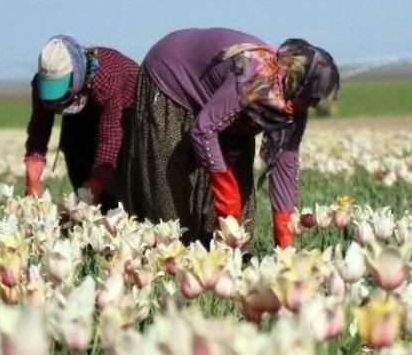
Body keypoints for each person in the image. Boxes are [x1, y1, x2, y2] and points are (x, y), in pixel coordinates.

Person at [123, 28, 339, 247]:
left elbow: (286, 162)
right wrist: (226, 193)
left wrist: (285, 239)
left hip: (226, 104)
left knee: (238, 197)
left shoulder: (294, 105)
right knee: (175, 194)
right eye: (312, 97)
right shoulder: (254, 76)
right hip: (170, 76)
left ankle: (227, 258)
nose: (314, 105)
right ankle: (176, 255)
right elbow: (203, 130)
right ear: (296, 84)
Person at [23, 35, 138, 208]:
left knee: (117, 162)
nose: (56, 100)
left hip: (128, 105)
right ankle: (85, 206)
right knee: (73, 145)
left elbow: (110, 137)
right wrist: (32, 175)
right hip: (82, 102)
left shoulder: (105, 80)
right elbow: (39, 129)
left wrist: (96, 183)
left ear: (76, 75)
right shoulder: (42, 88)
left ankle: (117, 210)